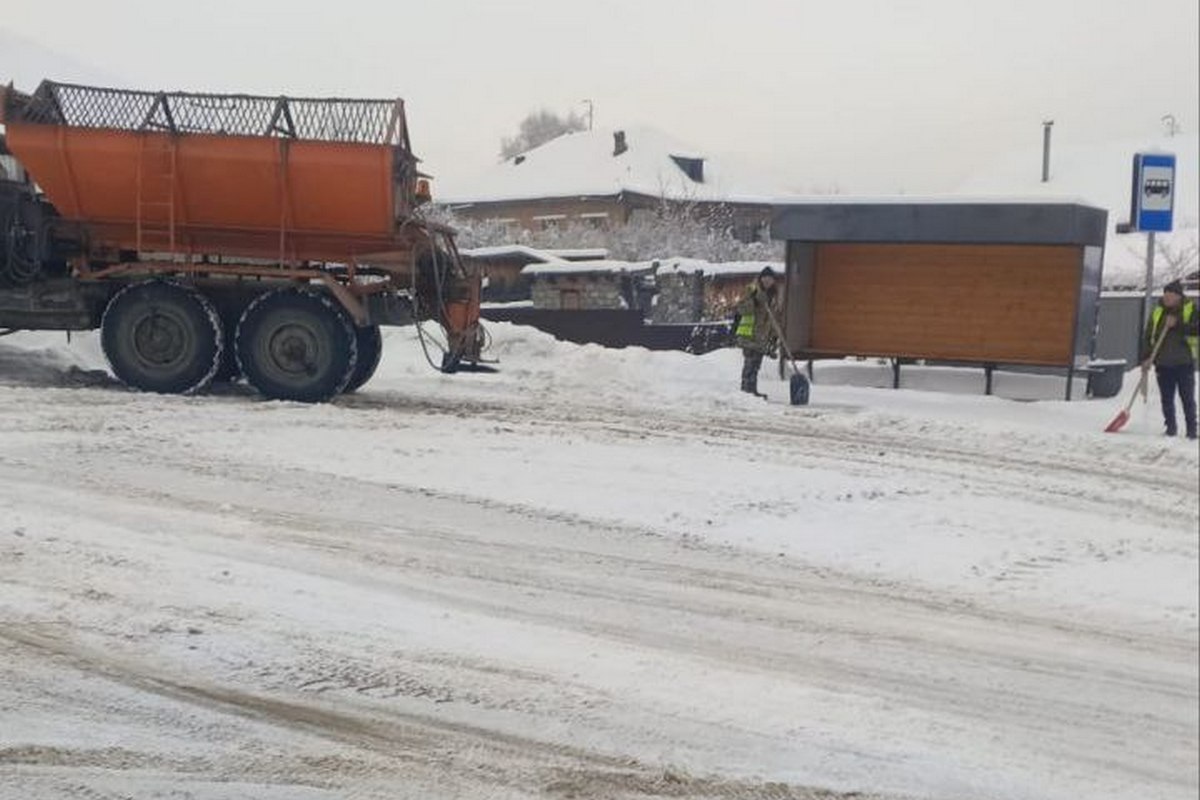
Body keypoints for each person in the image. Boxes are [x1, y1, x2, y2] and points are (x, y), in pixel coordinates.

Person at [1141, 279, 1199, 439]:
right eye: (1165, 294)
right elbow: (1148, 336)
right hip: (1163, 363)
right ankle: (1170, 429)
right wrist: (1146, 358)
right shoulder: (1158, 311)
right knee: (1166, 399)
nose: (1166, 297)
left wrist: (1178, 324)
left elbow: (1197, 329)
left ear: (1179, 296)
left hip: (1184, 363)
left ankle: (1192, 431)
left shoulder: (1190, 309)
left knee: (1187, 399)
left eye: (1170, 294)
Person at [733, 266, 781, 398]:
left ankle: (752, 390)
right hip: (749, 334)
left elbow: (774, 318)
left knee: (756, 365)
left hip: (762, 336)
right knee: (750, 363)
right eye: (765, 278)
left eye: (770, 279)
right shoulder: (752, 291)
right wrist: (754, 301)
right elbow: (741, 309)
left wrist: (774, 337)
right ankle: (746, 391)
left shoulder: (773, 296)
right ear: (760, 279)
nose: (767, 281)